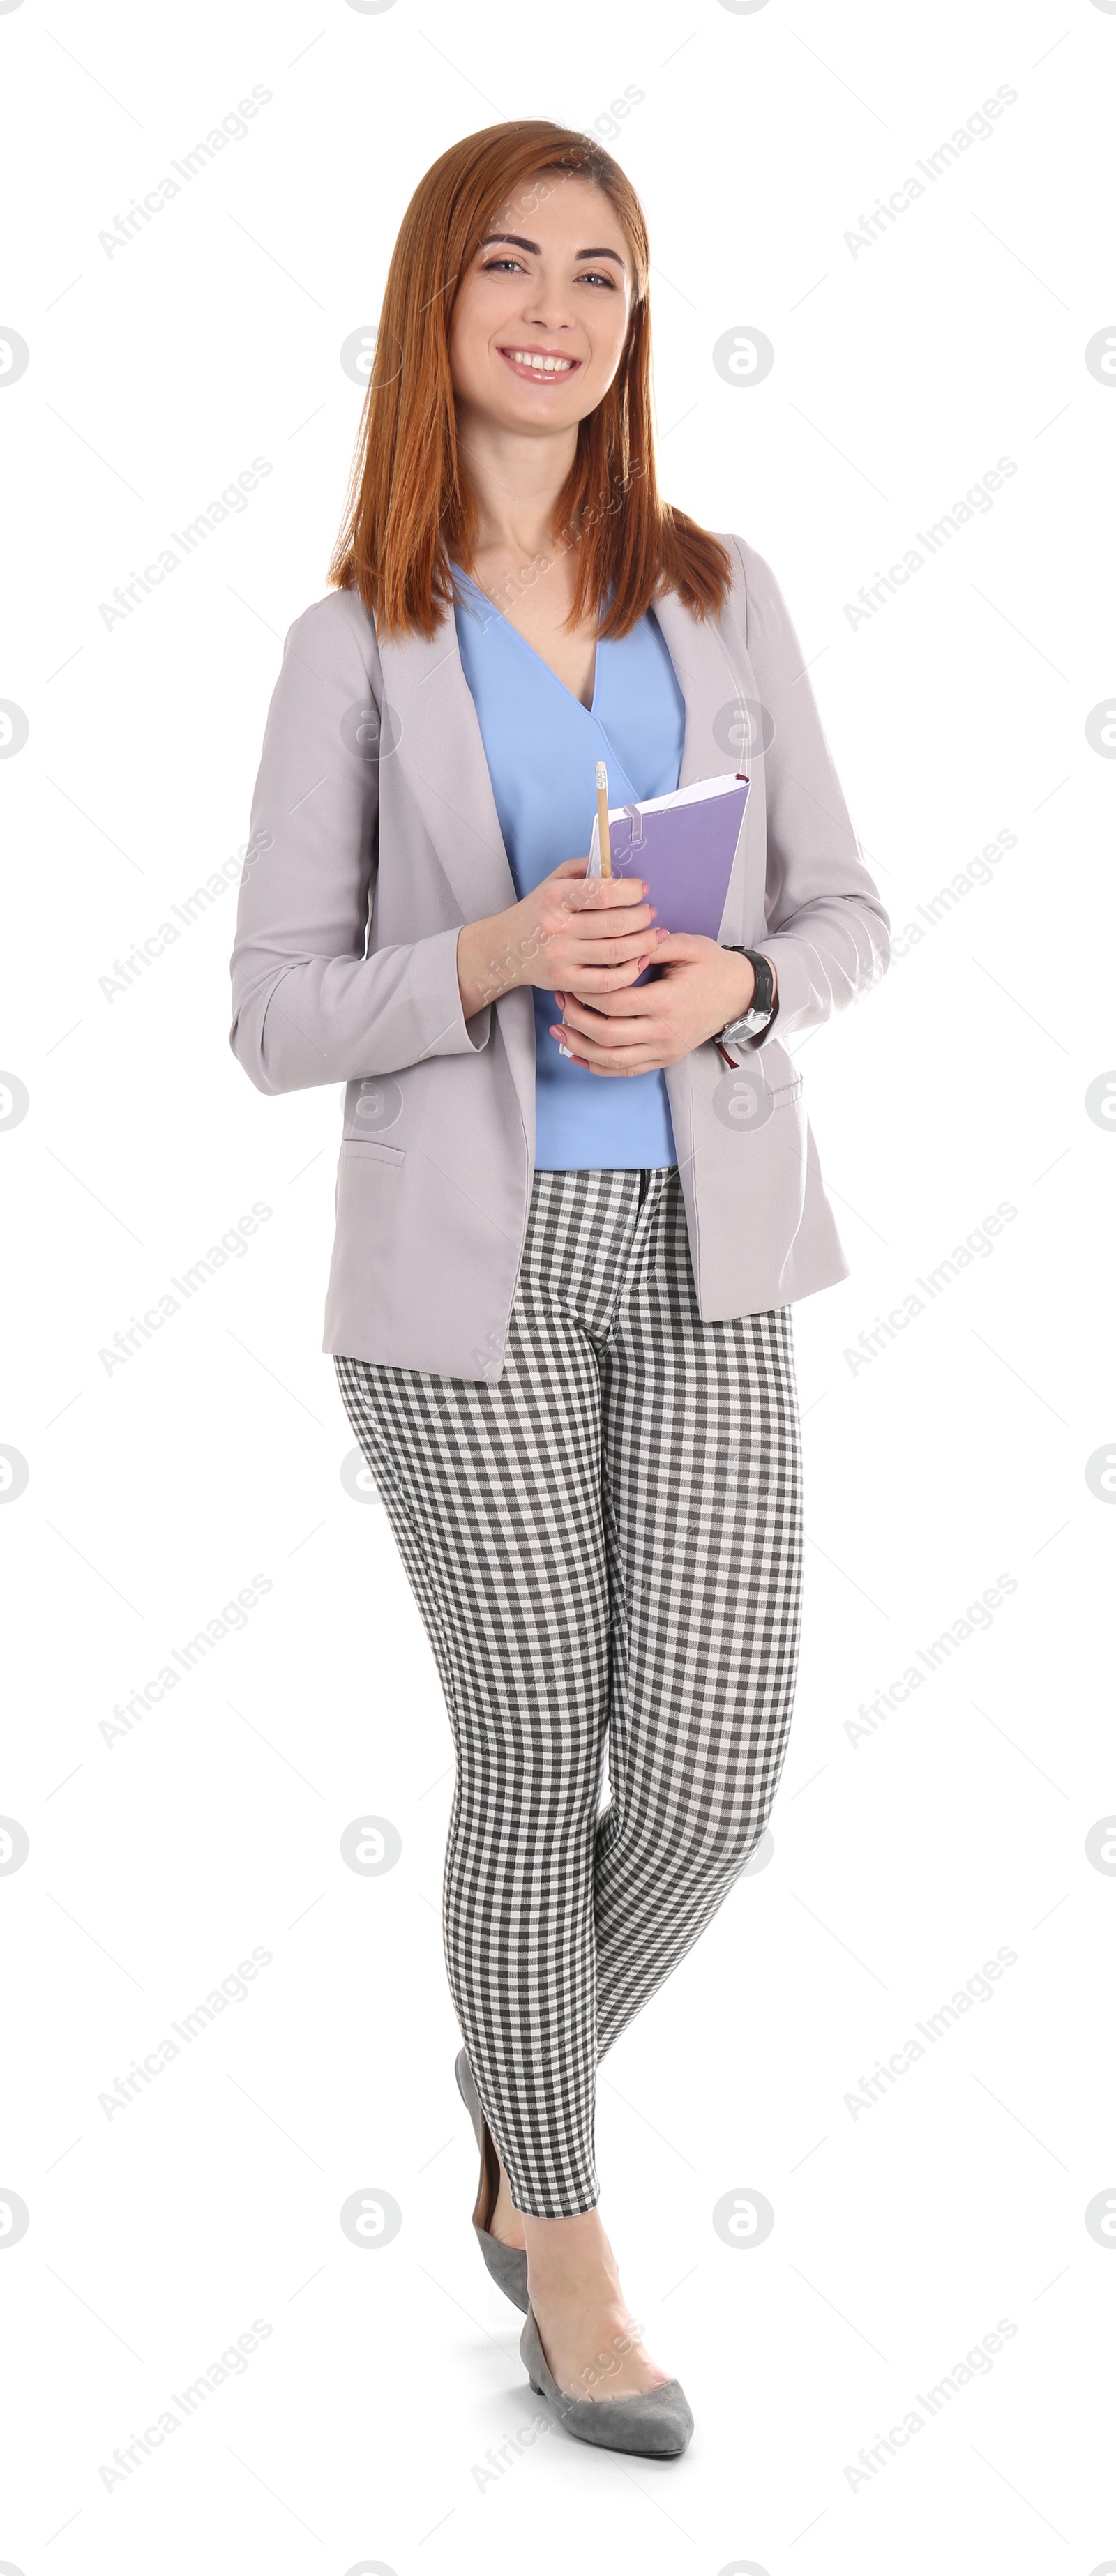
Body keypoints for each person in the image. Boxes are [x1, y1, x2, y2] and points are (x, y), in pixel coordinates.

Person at [229, 119, 889, 2458]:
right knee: (533, 1745)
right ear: (438, 307)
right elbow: (275, 1013)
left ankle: (514, 2099)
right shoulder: (354, 645)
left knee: (706, 1781)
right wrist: (494, 956)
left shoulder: (724, 592)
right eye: (509, 266)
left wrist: (726, 987)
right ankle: (574, 2243)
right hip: (459, 1284)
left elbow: (846, 921)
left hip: (715, 1255)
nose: (559, 308)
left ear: (634, 322)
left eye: (603, 273)